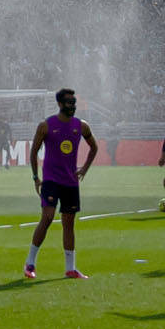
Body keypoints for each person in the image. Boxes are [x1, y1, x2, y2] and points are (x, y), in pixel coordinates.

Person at [25, 88, 99, 281]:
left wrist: (84, 169)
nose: (72, 106)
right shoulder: (46, 126)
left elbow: (94, 147)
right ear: (59, 104)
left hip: (70, 182)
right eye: (68, 103)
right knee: (47, 217)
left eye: (74, 102)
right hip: (50, 180)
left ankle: (70, 268)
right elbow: (33, 152)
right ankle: (30, 263)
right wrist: (35, 178)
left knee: (69, 223)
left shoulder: (81, 126)